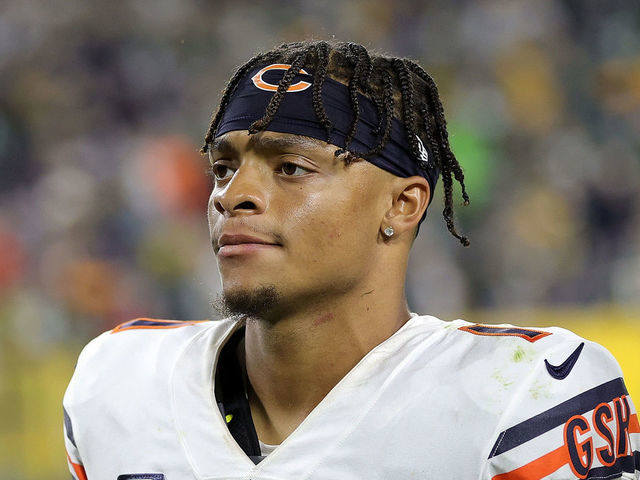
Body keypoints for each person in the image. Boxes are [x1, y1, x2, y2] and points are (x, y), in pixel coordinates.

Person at [63, 40, 639, 480]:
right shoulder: (117, 383)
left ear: (402, 204)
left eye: (291, 167)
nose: (232, 194)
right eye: (223, 167)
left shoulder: (525, 395)